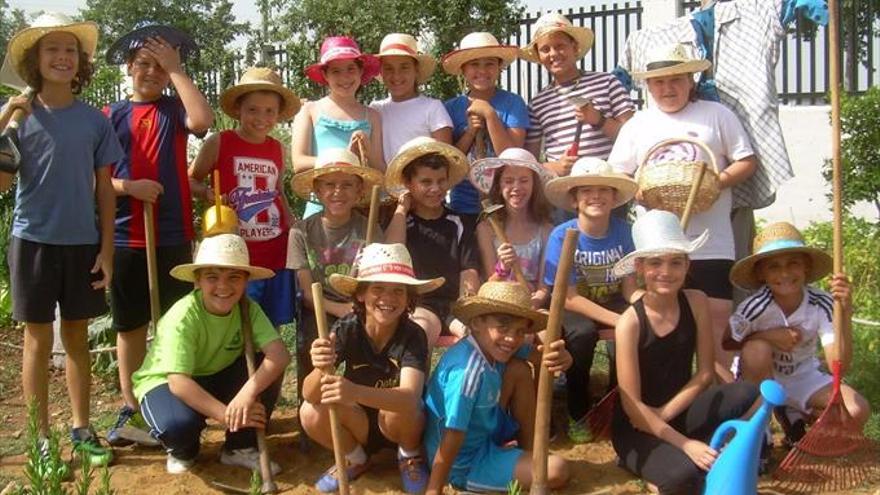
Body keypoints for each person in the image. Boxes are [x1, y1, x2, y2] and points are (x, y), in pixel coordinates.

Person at [0, 13, 121, 468]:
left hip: (82, 244)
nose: (62, 57)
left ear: (80, 61)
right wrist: (8, 118)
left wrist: (106, 249)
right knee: (36, 340)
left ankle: (81, 429)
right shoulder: (15, 117)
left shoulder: (94, 121)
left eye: (70, 50)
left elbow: (105, 189)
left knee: (76, 339)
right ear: (35, 60)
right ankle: (41, 439)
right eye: (52, 49)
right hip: (31, 240)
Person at [608, 43, 758, 381]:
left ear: (691, 80)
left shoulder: (716, 115)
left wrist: (715, 182)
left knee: (717, 317)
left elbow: (746, 161)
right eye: (658, 82)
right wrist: (638, 191)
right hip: (656, 246)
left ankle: (719, 402)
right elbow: (617, 175)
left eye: (676, 79)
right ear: (647, 86)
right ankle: (662, 396)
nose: (667, 88)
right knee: (658, 321)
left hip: (710, 242)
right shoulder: (637, 125)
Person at [103, 23, 213, 447]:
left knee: (173, 323)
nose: (151, 72)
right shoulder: (110, 115)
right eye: (144, 64)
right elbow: (96, 178)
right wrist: (129, 188)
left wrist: (177, 70)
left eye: (160, 67)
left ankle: (172, 397)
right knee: (130, 326)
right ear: (129, 67)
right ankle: (130, 404)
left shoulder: (172, 110)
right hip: (127, 233)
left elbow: (203, 121)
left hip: (172, 231)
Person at [610, 210, 758, 494]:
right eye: (655, 263)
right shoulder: (629, 322)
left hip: (679, 409)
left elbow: (704, 374)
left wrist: (665, 414)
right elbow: (633, 408)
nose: (666, 272)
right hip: (636, 425)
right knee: (684, 476)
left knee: (745, 392)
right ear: (640, 268)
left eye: (675, 262)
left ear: (687, 265)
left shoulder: (696, 301)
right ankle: (647, 462)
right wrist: (685, 444)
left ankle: (683, 449)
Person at [133, 234, 290, 474]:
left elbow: (279, 355)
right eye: (212, 277)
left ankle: (239, 447)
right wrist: (226, 415)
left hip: (216, 374)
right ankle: (182, 450)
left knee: (263, 366)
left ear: (246, 281)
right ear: (197, 281)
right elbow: (179, 382)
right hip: (165, 383)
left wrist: (246, 395)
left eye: (234, 277)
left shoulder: (248, 309)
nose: (223, 287)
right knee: (179, 426)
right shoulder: (183, 317)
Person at [301, 243, 443, 493]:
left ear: (409, 298)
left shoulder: (413, 335)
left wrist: (353, 391)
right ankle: (356, 459)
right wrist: (320, 366)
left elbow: (410, 397)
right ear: (360, 294)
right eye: (378, 289)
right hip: (359, 423)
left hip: (399, 424)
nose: (388, 299)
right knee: (309, 412)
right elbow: (309, 394)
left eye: (398, 291)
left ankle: (409, 455)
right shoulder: (347, 328)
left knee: (401, 407)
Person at [725, 222, 870, 440]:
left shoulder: (823, 303)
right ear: (761, 273)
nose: (784, 273)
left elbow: (837, 365)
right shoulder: (754, 306)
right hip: (762, 378)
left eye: (793, 263)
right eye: (774, 266)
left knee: (857, 410)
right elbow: (727, 342)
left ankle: (796, 413)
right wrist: (768, 335)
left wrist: (845, 316)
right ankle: (760, 430)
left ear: (806, 268)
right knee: (756, 348)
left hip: (802, 375)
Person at [424, 281, 572, 494]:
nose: (512, 338)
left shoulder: (491, 345)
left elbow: (542, 358)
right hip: (464, 463)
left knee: (518, 369)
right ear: (476, 323)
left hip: (482, 435)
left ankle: (527, 452)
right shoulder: (467, 372)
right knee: (557, 469)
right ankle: (523, 464)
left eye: (520, 331)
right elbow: (453, 433)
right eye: (502, 326)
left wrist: (563, 358)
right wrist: (434, 488)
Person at [189, 67, 301, 331]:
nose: (261, 117)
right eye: (253, 109)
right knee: (237, 327)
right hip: (236, 254)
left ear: (278, 114)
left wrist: (291, 223)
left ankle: (270, 372)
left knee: (270, 327)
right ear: (239, 109)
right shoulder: (220, 142)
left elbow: (278, 192)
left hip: (275, 250)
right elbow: (190, 179)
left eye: (269, 111)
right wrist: (207, 193)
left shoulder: (277, 148)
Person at [542, 157, 638, 441]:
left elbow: (629, 289)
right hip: (573, 306)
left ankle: (619, 405)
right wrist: (619, 320)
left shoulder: (625, 232)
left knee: (639, 324)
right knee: (581, 334)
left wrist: (645, 307)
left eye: (603, 190)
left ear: (614, 197)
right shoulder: (563, 236)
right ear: (574, 200)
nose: (595, 196)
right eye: (586, 190)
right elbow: (567, 298)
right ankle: (578, 410)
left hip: (611, 301)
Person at [288, 147, 384, 404]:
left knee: (375, 340)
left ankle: (366, 407)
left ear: (359, 191)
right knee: (314, 348)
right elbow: (307, 292)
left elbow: (378, 280)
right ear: (317, 191)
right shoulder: (300, 232)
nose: (338, 192)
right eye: (329, 185)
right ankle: (310, 414)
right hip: (319, 308)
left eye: (347, 185)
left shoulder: (370, 228)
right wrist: (340, 310)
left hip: (362, 307)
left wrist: (357, 307)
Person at [385, 137, 480, 345]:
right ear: (408, 184)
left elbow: (469, 270)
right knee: (421, 332)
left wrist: (467, 306)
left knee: (475, 335)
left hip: (454, 305)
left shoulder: (459, 222)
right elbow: (392, 250)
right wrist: (402, 208)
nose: (436, 189)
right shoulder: (403, 223)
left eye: (441, 181)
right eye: (426, 182)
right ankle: (416, 378)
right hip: (418, 304)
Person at [521, 12, 634, 177]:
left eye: (560, 46)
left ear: (574, 47)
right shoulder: (537, 103)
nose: (553, 53)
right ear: (539, 56)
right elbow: (530, 161)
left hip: (608, 187)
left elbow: (633, 138)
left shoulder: (607, 83)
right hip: (565, 193)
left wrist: (599, 120)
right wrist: (555, 166)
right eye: (545, 49)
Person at [292, 36, 384, 218]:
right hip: (320, 207)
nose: (344, 77)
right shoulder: (310, 110)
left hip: (359, 209)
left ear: (360, 71)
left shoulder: (372, 115)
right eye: (336, 71)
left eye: (351, 69)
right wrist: (343, 159)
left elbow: (380, 169)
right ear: (325, 75)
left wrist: (366, 148)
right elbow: (299, 162)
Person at [441, 32, 528, 215]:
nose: (482, 70)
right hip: (463, 200)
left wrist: (490, 115)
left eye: (489, 64)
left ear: (499, 67)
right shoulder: (450, 108)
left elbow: (511, 156)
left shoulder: (513, 103)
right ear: (463, 70)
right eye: (474, 64)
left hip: (504, 198)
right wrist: (470, 132)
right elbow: (450, 161)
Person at [469, 147, 554, 304]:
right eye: (508, 181)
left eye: (524, 180)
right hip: (498, 305)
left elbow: (543, 289)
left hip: (532, 306)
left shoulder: (546, 230)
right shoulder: (487, 229)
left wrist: (533, 304)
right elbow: (489, 284)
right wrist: (502, 269)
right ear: (499, 186)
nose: (516, 188)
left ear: (534, 185)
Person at [371, 33, 453, 162]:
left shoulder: (432, 108)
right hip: (386, 181)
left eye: (404, 67)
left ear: (416, 70)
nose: (396, 76)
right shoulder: (376, 110)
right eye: (389, 68)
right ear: (381, 72)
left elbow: (446, 157)